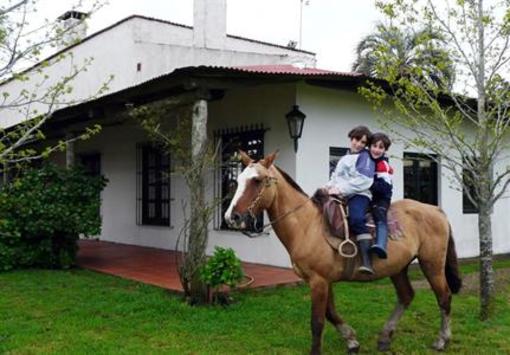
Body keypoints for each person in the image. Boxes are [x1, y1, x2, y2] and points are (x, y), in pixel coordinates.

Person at [326, 125, 376, 275]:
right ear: (351, 138)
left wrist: (340, 189)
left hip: (359, 194)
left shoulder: (365, 157)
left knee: (356, 218)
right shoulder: (344, 158)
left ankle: (367, 262)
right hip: (342, 194)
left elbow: (365, 181)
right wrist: (327, 188)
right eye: (356, 139)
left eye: (363, 142)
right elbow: (335, 178)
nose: (358, 144)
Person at [368, 133, 393, 259]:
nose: (376, 150)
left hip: (382, 197)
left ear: (385, 150)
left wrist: (368, 183)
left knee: (379, 214)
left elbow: (385, 187)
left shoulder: (382, 164)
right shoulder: (367, 161)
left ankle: (381, 244)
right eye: (374, 146)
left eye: (381, 147)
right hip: (369, 196)